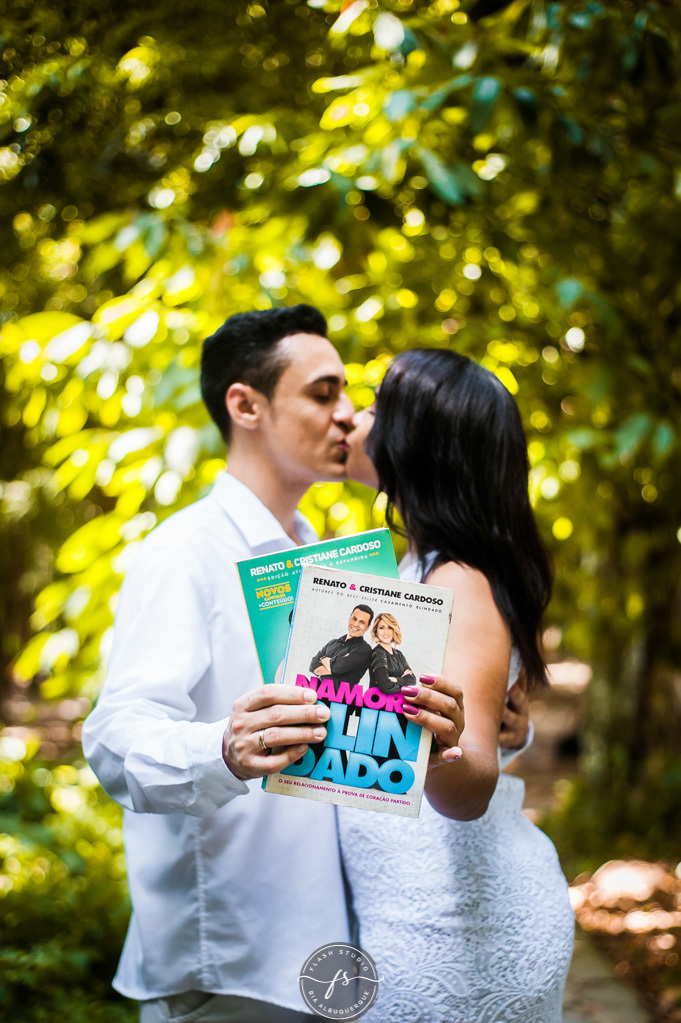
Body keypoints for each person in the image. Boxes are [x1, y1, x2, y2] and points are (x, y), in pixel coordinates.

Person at [81, 303, 527, 1023]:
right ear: (245, 404)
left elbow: (403, 720)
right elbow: (112, 738)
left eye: (352, 396)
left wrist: (485, 721)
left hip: (337, 948)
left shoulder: (336, 558)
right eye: (324, 394)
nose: (347, 416)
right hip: (231, 955)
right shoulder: (184, 551)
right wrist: (223, 747)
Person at [338, 348, 575, 1023]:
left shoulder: (455, 581)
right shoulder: (425, 568)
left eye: (375, 406)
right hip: (423, 913)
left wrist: (444, 745)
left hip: (455, 933)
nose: (356, 418)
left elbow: (467, 779)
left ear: (415, 441)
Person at [309, 604, 374, 685]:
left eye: (362, 622)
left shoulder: (365, 650)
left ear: (368, 627)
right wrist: (335, 666)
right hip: (318, 694)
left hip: (341, 697)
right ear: (349, 618)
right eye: (354, 619)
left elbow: (338, 668)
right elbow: (313, 665)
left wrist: (324, 659)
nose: (356, 624)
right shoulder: (333, 642)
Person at [368, 612, 415, 694]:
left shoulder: (398, 654)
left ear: (394, 630)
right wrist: (402, 680)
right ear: (376, 631)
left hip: (394, 703)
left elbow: (412, 680)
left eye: (390, 627)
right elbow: (384, 684)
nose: (386, 632)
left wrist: (395, 679)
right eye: (381, 628)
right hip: (377, 703)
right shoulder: (378, 653)